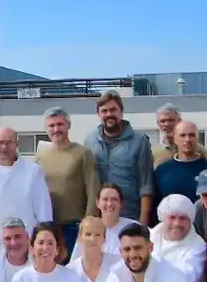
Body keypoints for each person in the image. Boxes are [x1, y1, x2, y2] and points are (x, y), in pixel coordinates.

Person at [0, 126, 53, 254]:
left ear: (17, 143)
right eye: (0, 142)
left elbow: (43, 210)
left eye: (9, 142)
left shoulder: (33, 172)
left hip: (25, 243)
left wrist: (44, 241)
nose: (4, 147)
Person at [34, 108, 100, 256]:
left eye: (60, 124)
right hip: (49, 227)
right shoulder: (41, 157)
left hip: (74, 227)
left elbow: (93, 190)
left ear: (68, 125)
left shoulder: (83, 153)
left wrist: (88, 224)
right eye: (51, 125)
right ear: (46, 129)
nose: (56, 129)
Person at [82, 90, 153, 226]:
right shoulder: (90, 141)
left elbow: (146, 185)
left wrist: (143, 222)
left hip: (130, 216)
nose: (109, 114)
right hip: (100, 217)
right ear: (98, 114)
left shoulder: (139, 141)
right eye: (104, 111)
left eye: (113, 110)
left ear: (121, 112)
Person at [152, 119, 207, 208]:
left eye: (192, 135)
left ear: (197, 138)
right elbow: (155, 204)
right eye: (183, 135)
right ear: (175, 139)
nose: (187, 139)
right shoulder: (162, 170)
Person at [150, 193, 207, 282]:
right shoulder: (147, 237)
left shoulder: (199, 248)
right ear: (162, 218)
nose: (177, 223)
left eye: (183, 218)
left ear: (191, 221)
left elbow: (184, 280)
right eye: (172, 217)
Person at [95, 184, 132, 254]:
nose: (109, 204)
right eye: (105, 199)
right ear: (97, 203)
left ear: (121, 204)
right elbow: (77, 259)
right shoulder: (88, 230)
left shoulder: (134, 228)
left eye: (114, 199)